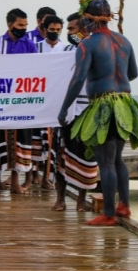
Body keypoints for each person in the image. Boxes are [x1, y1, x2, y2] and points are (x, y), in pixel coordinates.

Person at [58, 0, 138, 226]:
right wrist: (114, 79)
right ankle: (125, 205)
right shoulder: (124, 41)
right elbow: (133, 73)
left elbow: (78, 78)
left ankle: (109, 213)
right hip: (126, 104)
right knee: (117, 159)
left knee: (106, 162)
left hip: (104, 105)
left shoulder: (87, 44)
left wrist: (64, 109)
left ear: (88, 20)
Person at [0, 8, 38, 194]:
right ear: (9, 24)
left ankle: (15, 181)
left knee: (17, 142)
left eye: (25, 25)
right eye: (20, 25)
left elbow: (36, 71)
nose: (23, 28)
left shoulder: (30, 46)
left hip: (21, 102)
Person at [51, 12, 96, 212]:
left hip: (88, 110)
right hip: (68, 110)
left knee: (86, 156)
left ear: (83, 29)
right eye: (68, 29)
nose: (69, 33)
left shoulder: (95, 50)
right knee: (61, 155)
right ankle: (60, 199)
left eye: (71, 29)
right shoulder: (66, 51)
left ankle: (80, 201)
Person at [32, 15, 69, 190]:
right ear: (44, 29)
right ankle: (31, 175)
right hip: (38, 99)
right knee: (35, 139)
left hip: (58, 100)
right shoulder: (36, 48)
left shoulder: (67, 49)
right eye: (51, 30)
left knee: (52, 140)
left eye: (57, 30)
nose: (55, 32)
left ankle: (48, 177)